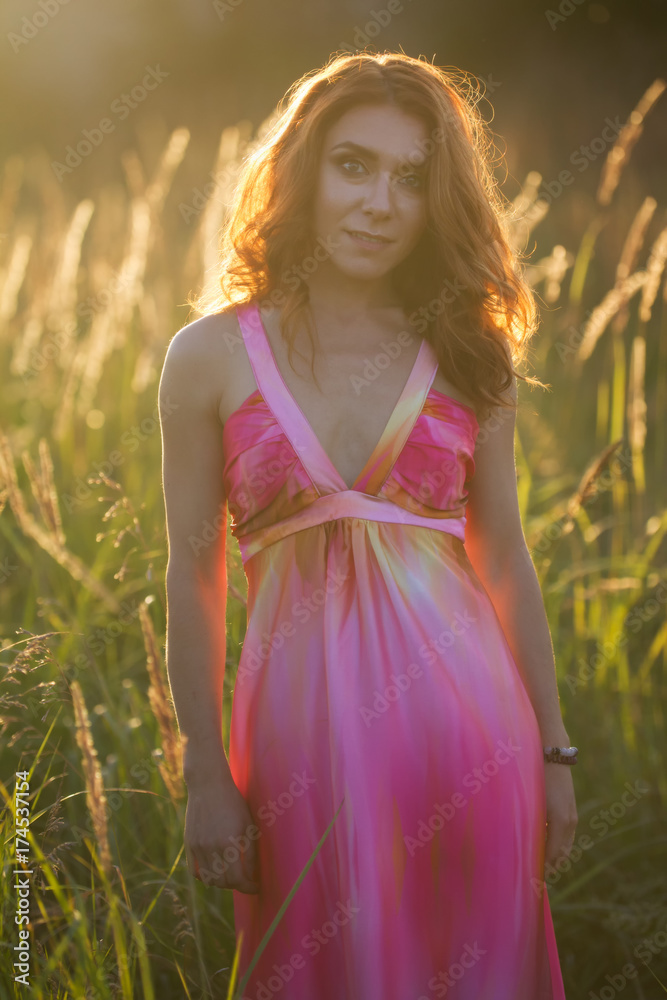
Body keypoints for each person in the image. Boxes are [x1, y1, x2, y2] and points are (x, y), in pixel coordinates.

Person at [159, 49, 578, 1000]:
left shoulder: (471, 353)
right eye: (354, 165)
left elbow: (504, 557)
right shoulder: (211, 356)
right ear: (303, 169)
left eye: (411, 178)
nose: (379, 202)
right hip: (297, 765)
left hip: (474, 752)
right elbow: (191, 573)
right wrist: (203, 774)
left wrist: (554, 753)